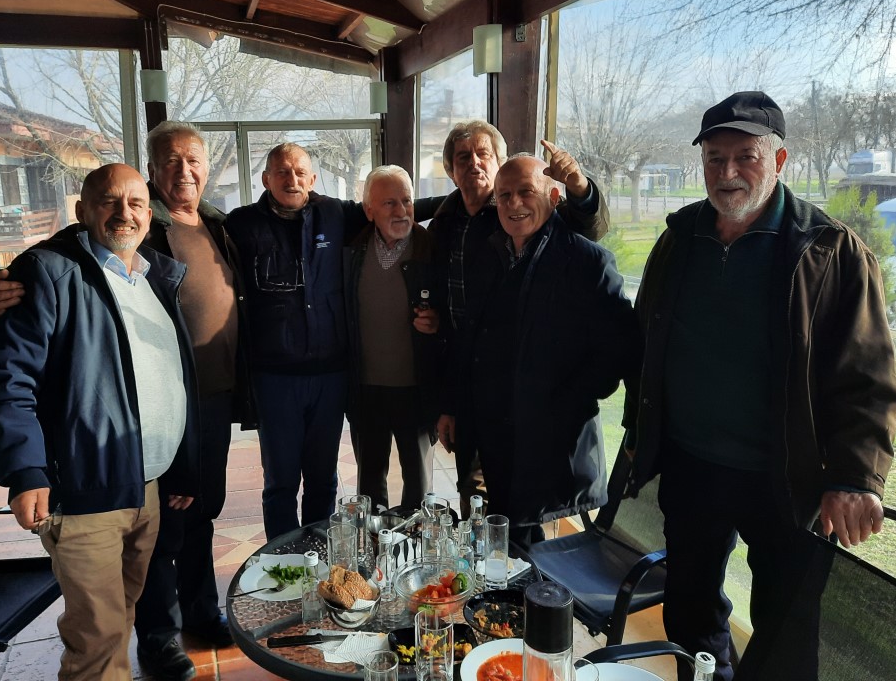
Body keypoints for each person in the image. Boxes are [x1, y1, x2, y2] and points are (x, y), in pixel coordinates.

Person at [622, 91, 896, 681]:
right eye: (714, 158)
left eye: (745, 156)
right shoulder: (679, 239)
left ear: (778, 161)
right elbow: (646, 339)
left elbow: (868, 378)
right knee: (689, 614)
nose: (727, 172)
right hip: (692, 467)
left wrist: (856, 477)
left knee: (785, 636)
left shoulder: (830, 251)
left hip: (788, 480)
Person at [0, 122, 256, 681]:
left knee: (188, 527)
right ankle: (160, 639)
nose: (125, 213)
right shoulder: (58, 267)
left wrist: (180, 463)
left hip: (178, 438)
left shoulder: (189, 249)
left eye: (193, 160)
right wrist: (26, 470)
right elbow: (7, 372)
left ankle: (197, 615)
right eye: (111, 202)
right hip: (93, 474)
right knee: (103, 630)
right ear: (85, 210)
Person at [447, 155, 639, 543]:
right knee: (501, 544)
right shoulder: (489, 254)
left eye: (526, 192)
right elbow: (470, 337)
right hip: (493, 435)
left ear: (553, 197)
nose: (514, 203)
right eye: (504, 195)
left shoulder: (587, 260)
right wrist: (453, 404)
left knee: (538, 556)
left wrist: (564, 399)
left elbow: (618, 349)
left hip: (549, 443)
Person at [429, 120, 610, 515]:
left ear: (499, 163)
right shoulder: (443, 225)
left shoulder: (532, 226)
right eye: (463, 158)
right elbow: (461, 329)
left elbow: (586, 229)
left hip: (532, 412)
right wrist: (450, 401)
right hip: (475, 393)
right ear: (451, 171)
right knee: (477, 507)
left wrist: (580, 187)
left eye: (483, 154)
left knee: (521, 516)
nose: (474, 163)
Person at [225, 142, 367, 539]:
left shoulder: (335, 214)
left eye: (300, 172)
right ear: (266, 179)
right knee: (281, 481)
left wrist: (462, 199)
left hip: (330, 375)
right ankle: (282, 559)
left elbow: (393, 206)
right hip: (274, 378)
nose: (292, 179)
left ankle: (319, 554)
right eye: (282, 172)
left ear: (313, 178)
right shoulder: (241, 224)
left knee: (323, 477)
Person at [344, 165, 442, 510]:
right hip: (365, 388)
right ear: (369, 210)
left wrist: (439, 321)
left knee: (419, 485)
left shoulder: (432, 249)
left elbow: (457, 309)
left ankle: (417, 542)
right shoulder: (352, 250)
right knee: (369, 487)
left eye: (407, 201)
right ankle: (373, 542)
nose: (401, 211)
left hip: (417, 387)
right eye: (389, 203)